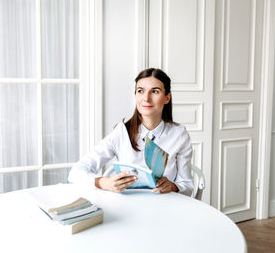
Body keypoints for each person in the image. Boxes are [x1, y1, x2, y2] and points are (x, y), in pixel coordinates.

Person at [68, 68, 193, 196]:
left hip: (167, 206)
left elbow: (187, 185)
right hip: (128, 206)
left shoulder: (179, 135)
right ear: (135, 96)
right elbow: (76, 172)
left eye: (155, 91)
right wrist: (104, 183)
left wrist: (173, 186)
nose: (146, 98)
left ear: (167, 98)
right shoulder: (121, 133)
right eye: (140, 91)